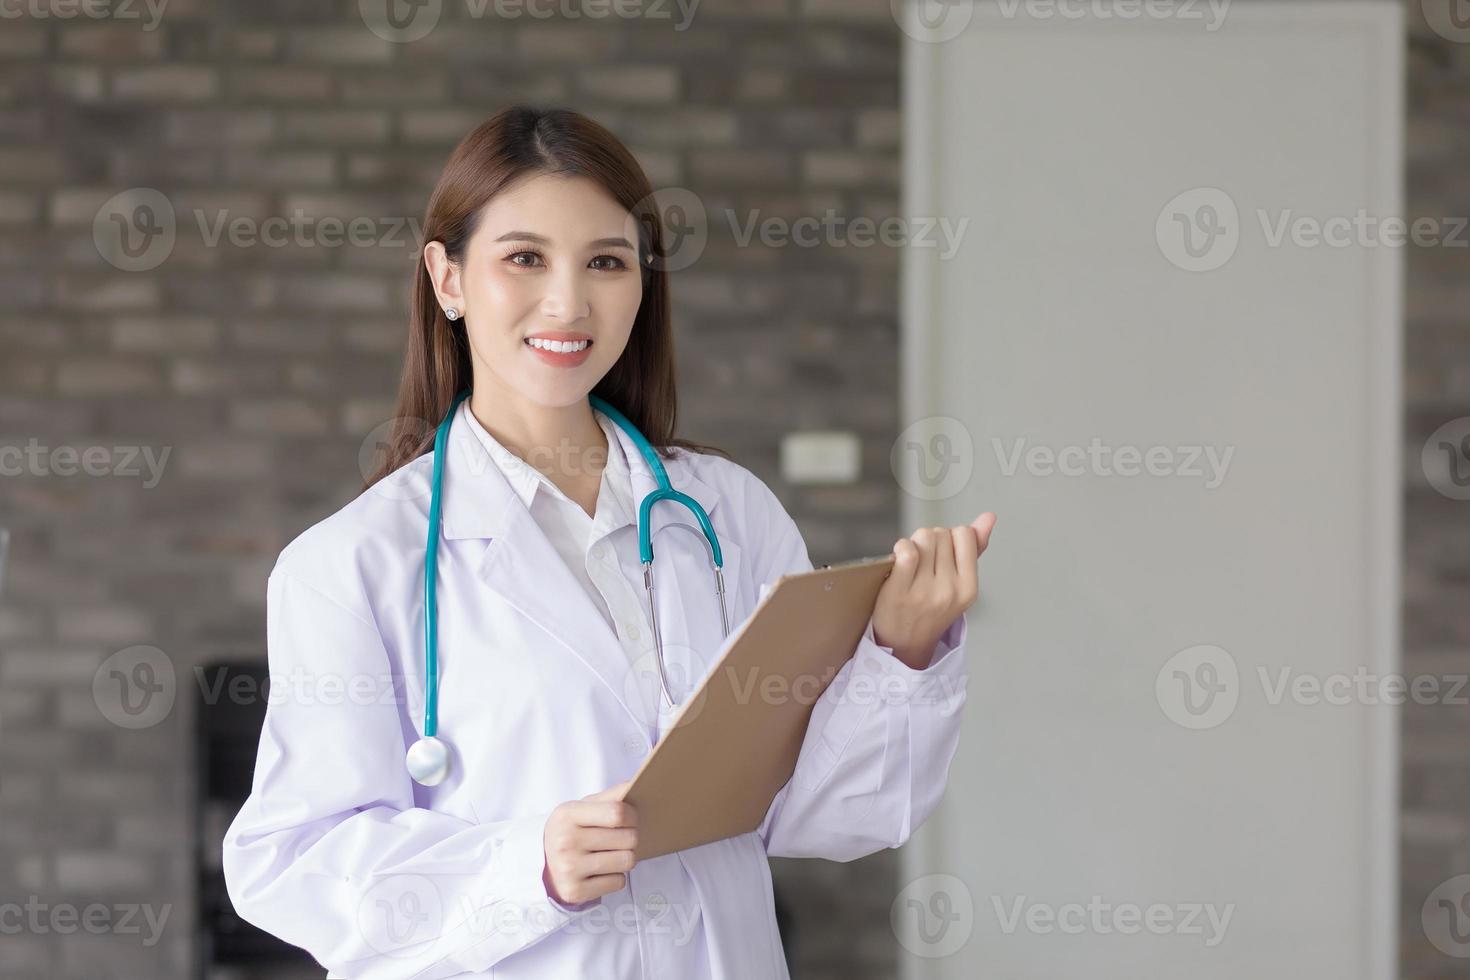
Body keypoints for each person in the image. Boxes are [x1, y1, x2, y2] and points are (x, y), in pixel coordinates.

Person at [221, 104, 996, 980]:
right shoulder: (350, 564)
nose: (569, 301)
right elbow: (295, 861)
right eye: (524, 258)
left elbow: (822, 809)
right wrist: (530, 866)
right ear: (447, 279)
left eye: (606, 262)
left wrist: (903, 647)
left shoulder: (726, 516)